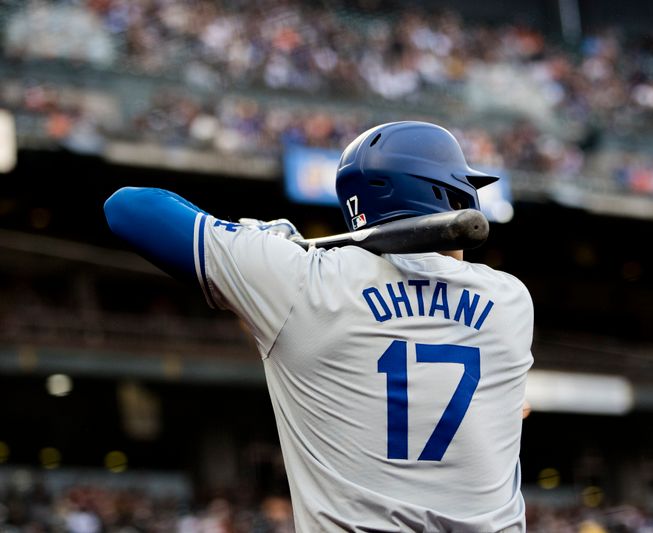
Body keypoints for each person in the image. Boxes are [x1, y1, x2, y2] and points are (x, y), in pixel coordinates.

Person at [104, 121, 535, 532]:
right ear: (452, 198)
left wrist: (265, 240)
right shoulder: (511, 302)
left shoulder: (302, 279)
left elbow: (128, 207)